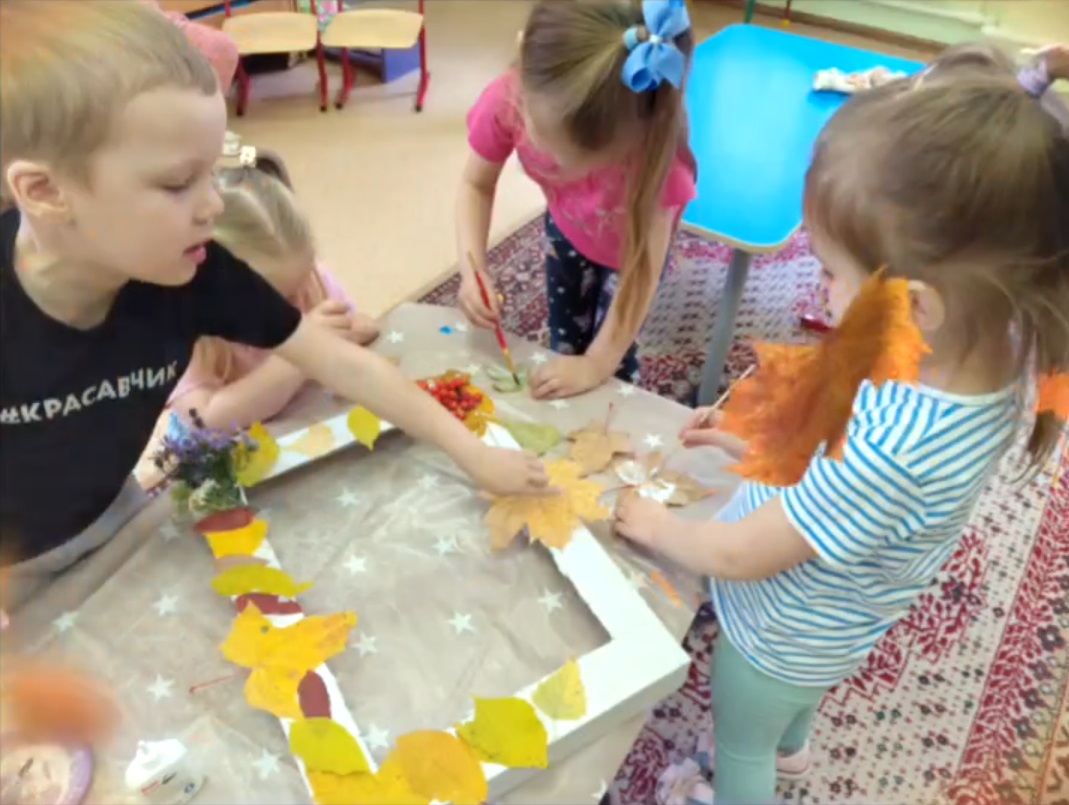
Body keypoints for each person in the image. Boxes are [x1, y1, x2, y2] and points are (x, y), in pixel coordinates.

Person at [0, 1, 549, 612]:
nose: (213, 207)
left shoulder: (196, 272)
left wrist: (475, 455)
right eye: (178, 183)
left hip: (117, 515)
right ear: (45, 192)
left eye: (212, 174)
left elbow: (345, 364)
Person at [615, 76, 1069, 804]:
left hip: (780, 640)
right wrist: (744, 442)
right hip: (843, 617)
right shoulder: (979, 358)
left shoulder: (891, 451)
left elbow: (739, 553)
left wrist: (656, 526)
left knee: (741, 742)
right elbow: (834, 455)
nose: (818, 289)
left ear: (916, 306)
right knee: (788, 711)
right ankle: (792, 748)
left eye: (829, 273)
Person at [455, 0, 697, 399]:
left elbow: (642, 271)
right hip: (567, 232)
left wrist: (599, 364)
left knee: (614, 365)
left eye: (580, 163)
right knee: (564, 343)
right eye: (548, 148)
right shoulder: (506, 99)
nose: (562, 171)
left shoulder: (656, 154)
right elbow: (475, 185)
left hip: (631, 256)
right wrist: (472, 267)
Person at [169, 141, 380, 428]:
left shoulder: (309, 279)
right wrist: (300, 355)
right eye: (275, 300)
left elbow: (360, 327)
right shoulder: (190, 327)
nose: (293, 304)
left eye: (300, 284)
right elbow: (203, 421)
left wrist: (349, 330)